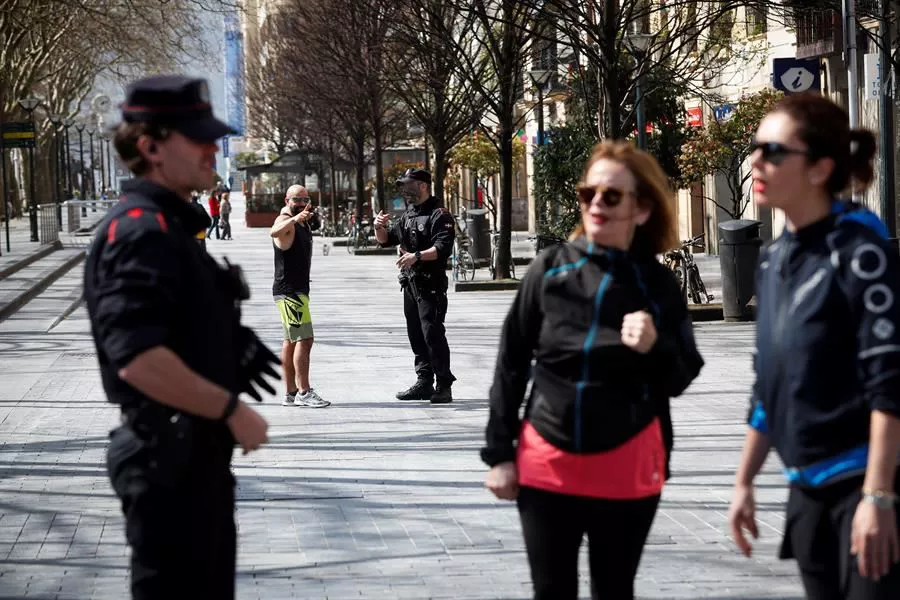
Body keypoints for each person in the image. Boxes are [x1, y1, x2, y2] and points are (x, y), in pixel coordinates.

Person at [83, 75, 279, 599]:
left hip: (191, 460)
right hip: (168, 462)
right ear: (150, 146)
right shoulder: (142, 232)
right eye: (196, 137)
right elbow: (137, 358)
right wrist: (229, 408)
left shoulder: (167, 227)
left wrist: (220, 346)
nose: (211, 148)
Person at [481, 141, 704, 600]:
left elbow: (681, 374)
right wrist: (499, 453)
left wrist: (654, 345)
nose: (597, 204)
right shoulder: (550, 270)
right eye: (589, 194)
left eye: (612, 196)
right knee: (552, 590)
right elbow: (511, 363)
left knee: (613, 589)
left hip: (629, 460)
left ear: (641, 209)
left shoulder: (655, 282)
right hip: (547, 459)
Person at [728, 92, 900, 600]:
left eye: (774, 151)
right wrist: (743, 482)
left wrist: (879, 496)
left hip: (863, 484)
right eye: (756, 148)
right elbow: (769, 384)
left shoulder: (861, 253)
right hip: (807, 490)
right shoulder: (773, 257)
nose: (757, 161)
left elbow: (889, 384)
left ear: (821, 169)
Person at [374, 168, 456, 403]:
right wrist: (378, 226)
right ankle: (424, 382)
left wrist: (416, 256)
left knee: (433, 333)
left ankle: (443, 384)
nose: (404, 189)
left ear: (422, 185)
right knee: (416, 334)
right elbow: (386, 240)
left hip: (431, 285)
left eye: (408, 184)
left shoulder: (439, 215)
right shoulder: (409, 214)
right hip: (411, 285)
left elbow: (442, 248)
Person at [270, 184, 330, 408]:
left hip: (295, 290)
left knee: (291, 341)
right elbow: (273, 231)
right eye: (297, 199)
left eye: (306, 199)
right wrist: (295, 219)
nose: (302, 204)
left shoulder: (302, 220)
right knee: (304, 339)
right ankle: (304, 392)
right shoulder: (284, 220)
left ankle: (290, 393)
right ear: (287, 200)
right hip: (290, 292)